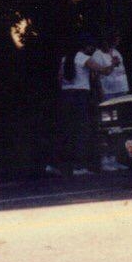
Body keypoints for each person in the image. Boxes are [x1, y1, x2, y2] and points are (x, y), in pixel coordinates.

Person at [54, 34, 118, 176]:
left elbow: (59, 78)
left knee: (66, 130)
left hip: (66, 95)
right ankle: (79, 166)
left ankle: (59, 165)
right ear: (85, 47)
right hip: (80, 95)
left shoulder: (65, 59)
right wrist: (113, 63)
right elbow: (105, 71)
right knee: (81, 130)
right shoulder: (83, 58)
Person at [91, 28, 129, 171]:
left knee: (118, 128)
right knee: (107, 128)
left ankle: (115, 158)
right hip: (108, 93)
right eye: (115, 39)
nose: (117, 42)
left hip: (121, 90)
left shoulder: (116, 52)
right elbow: (98, 75)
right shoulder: (98, 54)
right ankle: (105, 160)